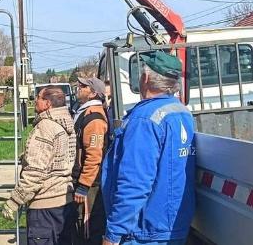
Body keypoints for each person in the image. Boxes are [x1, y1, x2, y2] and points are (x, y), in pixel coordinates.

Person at [100, 51, 196, 245]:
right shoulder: (181, 112)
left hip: (145, 231)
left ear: (145, 78)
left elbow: (135, 181)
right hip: (172, 225)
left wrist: (114, 233)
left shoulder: (144, 119)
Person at [2, 86, 76, 245]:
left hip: (45, 206)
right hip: (64, 202)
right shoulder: (67, 124)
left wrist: (15, 201)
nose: (35, 100)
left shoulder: (45, 128)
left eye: (39, 97)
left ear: (48, 103)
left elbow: (35, 172)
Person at [72, 77, 110, 244]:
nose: (79, 87)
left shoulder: (94, 118)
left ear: (94, 93)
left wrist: (84, 185)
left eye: (84, 86)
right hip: (82, 179)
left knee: (88, 229)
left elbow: (94, 155)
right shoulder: (83, 111)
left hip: (90, 185)